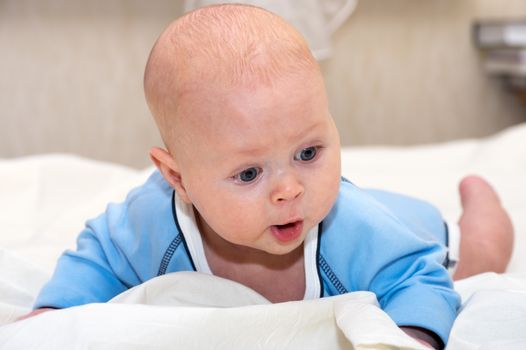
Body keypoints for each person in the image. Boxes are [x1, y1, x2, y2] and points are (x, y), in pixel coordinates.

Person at [21, 4, 514, 349]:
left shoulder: (354, 228)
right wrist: (53, 313)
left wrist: (412, 335)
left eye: (308, 151)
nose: (289, 189)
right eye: (250, 172)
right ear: (179, 178)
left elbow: (417, 279)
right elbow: (100, 257)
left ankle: (481, 200)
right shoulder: (151, 222)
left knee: (477, 259)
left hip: (414, 230)